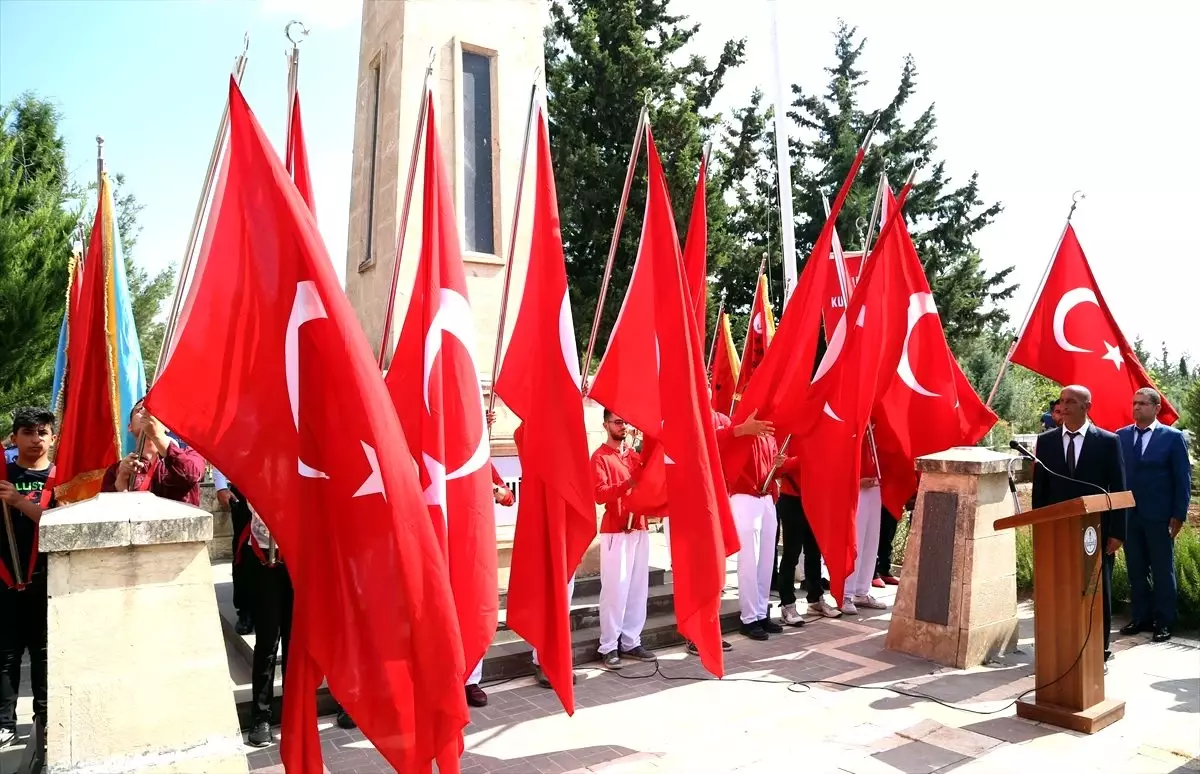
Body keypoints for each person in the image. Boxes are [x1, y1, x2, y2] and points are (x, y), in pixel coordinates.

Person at [1032, 385, 1126, 665]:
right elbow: (1041, 490)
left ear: (1088, 406)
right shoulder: (1046, 442)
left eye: (1071, 401)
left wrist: (1117, 532)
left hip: (1096, 531)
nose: (1064, 406)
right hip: (1058, 531)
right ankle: (1062, 645)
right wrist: (1040, 527)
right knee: (1060, 590)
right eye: (1061, 401)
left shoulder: (1108, 441)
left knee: (1098, 591)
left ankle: (1100, 650)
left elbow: (1118, 488)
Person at [216, 474, 292, 748]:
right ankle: (261, 716)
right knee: (268, 640)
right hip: (266, 558)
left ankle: (295, 711)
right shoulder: (262, 460)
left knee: (296, 641)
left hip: (301, 559)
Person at [0, 407, 56, 753]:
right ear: (15, 437)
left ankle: (45, 719)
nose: (36, 439)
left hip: (44, 579)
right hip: (4, 579)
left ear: (53, 438)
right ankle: (4, 724)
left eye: (43, 433)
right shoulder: (3, 473)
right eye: (28, 432)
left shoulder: (60, 479)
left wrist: (20, 502)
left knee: (44, 654)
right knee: (5, 654)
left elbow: (59, 524)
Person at [1117, 388, 1191, 644]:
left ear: (1157, 408)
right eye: (1134, 403)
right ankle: (1141, 617)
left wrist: (1179, 514)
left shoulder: (1172, 437)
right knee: (1136, 569)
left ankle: (1164, 621)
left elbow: (1183, 479)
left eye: (1143, 404)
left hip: (1160, 516)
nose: (1137, 408)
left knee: (1162, 570)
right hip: (1129, 515)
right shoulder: (1121, 436)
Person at [592, 410, 657, 669]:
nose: (622, 426)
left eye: (625, 422)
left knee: (638, 589)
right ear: (605, 425)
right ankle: (608, 646)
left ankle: (631, 641)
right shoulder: (599, 457)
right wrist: (628, 483)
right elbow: (599, 494)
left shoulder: (634, 456)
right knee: (614, 591)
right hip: (615, 530)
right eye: (617, 422)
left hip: (638, 526)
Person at [717, 409, 785, 641]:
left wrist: (781, 463)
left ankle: (761, 612)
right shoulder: (737, 426)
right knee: (749, 560)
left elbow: (774, 468)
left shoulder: (769, 433)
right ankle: (748, 618)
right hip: (744, 497)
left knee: (766, 560)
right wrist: (741, 430)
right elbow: (714, 441)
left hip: (767, 498)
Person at [101, 399, 205, 504]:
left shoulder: (190, 455)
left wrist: (157, 436)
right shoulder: (117, 470)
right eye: (141, 409)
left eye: (155, 411)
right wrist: (121, 481)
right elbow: (106, 511)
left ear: (167, 426)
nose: (147, 413)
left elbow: (191, 475)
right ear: (130, 427)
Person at [777, 462, 842, 624]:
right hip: (792, 497)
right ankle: (787, 603)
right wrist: (803, 459)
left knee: (814, 551)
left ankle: (815, 599)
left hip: (814, 496)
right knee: (791, 553)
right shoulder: (789, 437)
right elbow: (779, 465)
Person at [843, 438, 888, 614]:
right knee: (856, 541)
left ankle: (862, 591)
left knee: (871, 540)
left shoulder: (874, 425)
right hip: (856, 489)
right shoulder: (852, 424)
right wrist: (855, 481)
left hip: (874, 486)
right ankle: (846, 594)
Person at [213, 469, 254, 636]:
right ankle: (245, 611)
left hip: (276, 488)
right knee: (243, 552)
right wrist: (221, 486)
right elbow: (221, 445)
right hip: (244, 491)